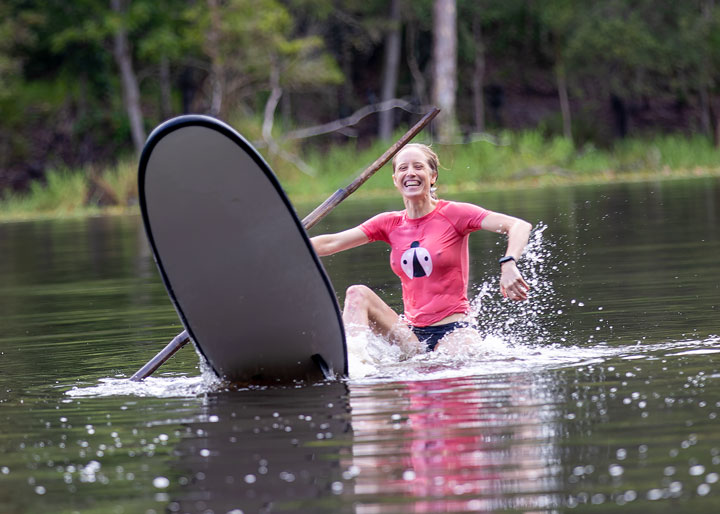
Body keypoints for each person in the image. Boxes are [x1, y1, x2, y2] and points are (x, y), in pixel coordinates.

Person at [311, 143, 532, 353]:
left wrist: (509, 262)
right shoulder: (388, 223)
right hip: (410, 334)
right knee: (356, 293)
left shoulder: (454, 213)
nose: (411, 173)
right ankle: (352, 358)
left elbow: (519, 226)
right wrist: (283, 246)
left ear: (433, 176)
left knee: (450, 367)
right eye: (403, 168)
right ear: (395, 179)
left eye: (419, 167)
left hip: (453, 330)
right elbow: (331, 243)